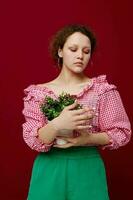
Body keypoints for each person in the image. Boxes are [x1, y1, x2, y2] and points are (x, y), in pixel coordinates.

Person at [22, 24, 131, 200]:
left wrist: (88, 139)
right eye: (73, 49)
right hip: (49, 168)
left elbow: (121, 132)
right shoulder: (38, 94)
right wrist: (58, 124)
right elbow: (33, 139)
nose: (80, 55)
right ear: (60, 51)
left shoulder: (102, 90)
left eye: (86, 51)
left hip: (87, 167)